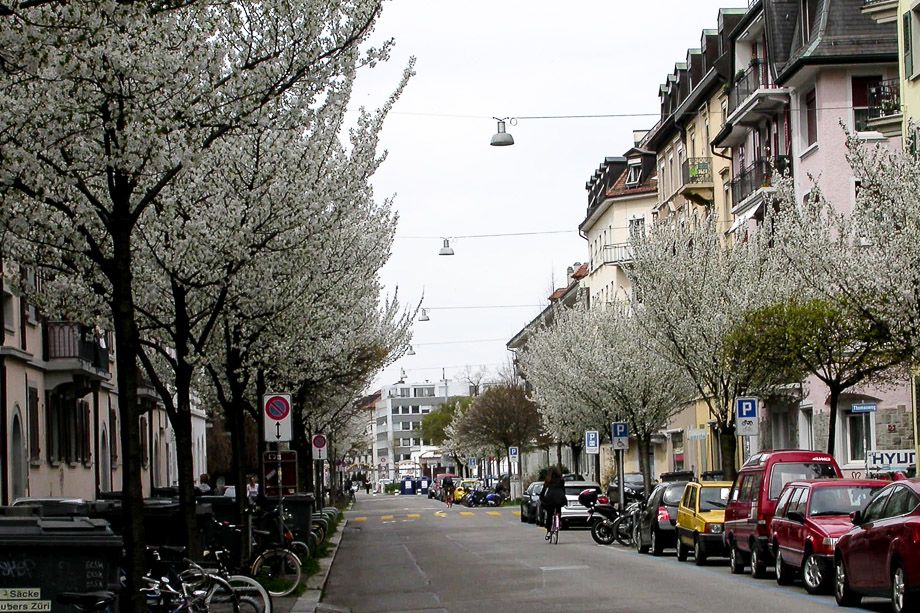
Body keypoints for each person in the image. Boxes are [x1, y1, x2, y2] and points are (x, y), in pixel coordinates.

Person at [539, 467, 568, 539]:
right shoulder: (561, 480)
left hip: (550, 498)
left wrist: (542, 498)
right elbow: (563, 490)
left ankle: (548, 531)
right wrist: (563, 497)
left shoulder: (548, 480)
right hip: (559, 497)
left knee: (549, 515)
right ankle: (559, 520)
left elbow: (543, 490)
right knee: (558, 509)